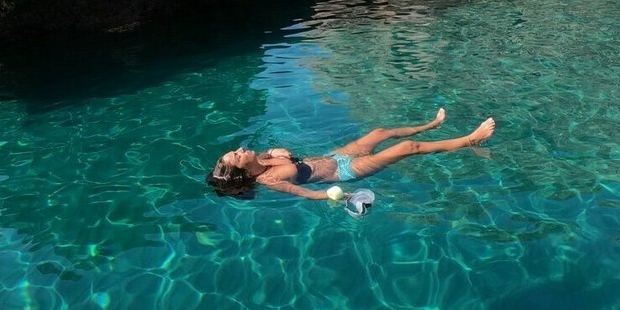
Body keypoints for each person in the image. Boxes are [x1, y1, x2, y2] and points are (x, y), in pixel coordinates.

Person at [206, 108, 495, 199]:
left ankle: (431, 124)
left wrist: (272, 150)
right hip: (345, 171)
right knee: (407, 149)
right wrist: (340, 195)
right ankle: (471, 140)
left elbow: (272, 154)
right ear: (241, 170)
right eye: (237, 155)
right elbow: (309, 195)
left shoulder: (265, 156)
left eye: (236, 149)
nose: (241, 149)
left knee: (381, 132)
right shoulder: (270, 180)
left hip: (334, 155)